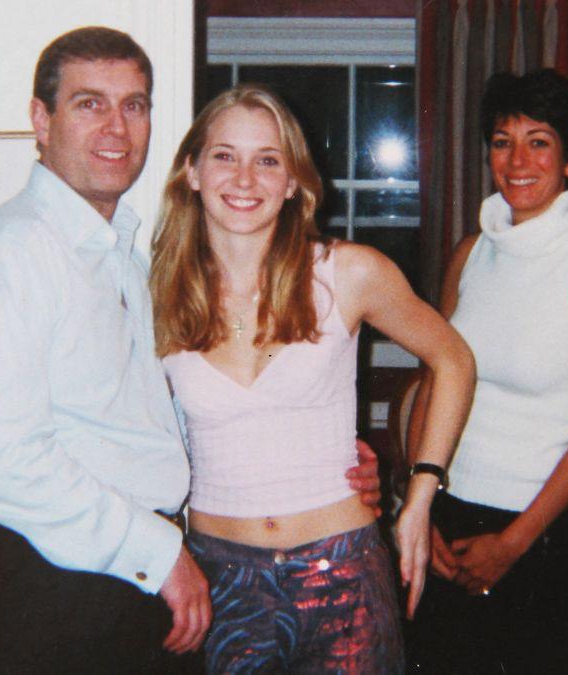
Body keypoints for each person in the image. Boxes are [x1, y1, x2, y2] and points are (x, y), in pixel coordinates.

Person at [0, 27, 381, 673]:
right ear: (41, 118)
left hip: (134, 582)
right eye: (90, 103)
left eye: (134, 105)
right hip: (62, 590)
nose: (116, 127)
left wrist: (324, 455)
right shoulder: (17, 249)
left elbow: (143, 420)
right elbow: (0, 459)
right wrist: (161, 551)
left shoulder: (125, 256)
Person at [150, 84, 476, 673]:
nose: (245, 178)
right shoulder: (155, 295)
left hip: (344, 575)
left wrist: (420, 497)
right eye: (224, 156)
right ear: (193, 171)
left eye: (268, 160)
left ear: (293, 181)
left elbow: (453, 359)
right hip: (218, 582)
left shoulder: (348, 273)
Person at [404, 68, 568, 674]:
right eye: (502, 141)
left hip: (539, 534)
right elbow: (433, 384)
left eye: (539, 141)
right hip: (448, 516)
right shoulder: (471, 252)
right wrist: (419, 501)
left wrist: (514, 544)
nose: (517, 159)